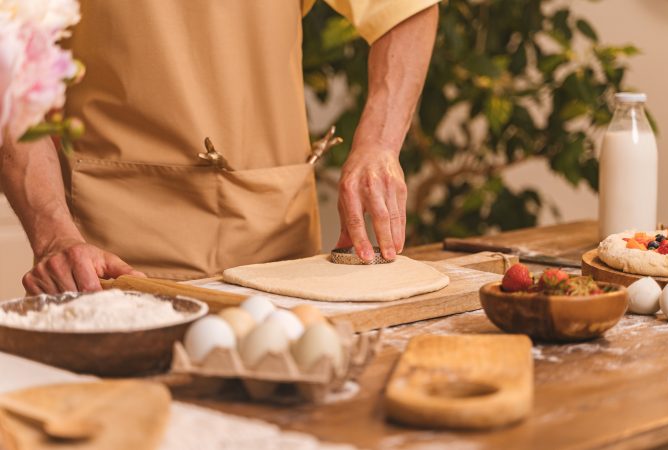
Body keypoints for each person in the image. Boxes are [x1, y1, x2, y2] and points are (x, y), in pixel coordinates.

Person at [0, 0, 439, 294]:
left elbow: (405, 9)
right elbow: (9, 59)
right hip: (113, 266)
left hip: (284, 254)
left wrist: (379, 143)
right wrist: (55, 236)